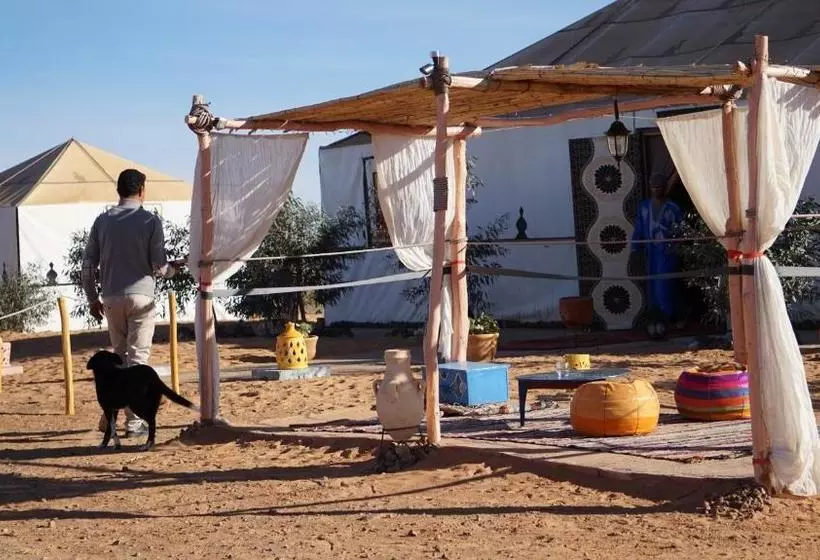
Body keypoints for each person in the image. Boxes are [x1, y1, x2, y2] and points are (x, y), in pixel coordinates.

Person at [83, 169, 181, 437]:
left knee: (119, 358)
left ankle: (111, 418)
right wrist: (175, 269)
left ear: (118, 191)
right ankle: (134, 423)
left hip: (112, 296)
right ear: (142, 190)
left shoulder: (102, 221)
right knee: (138, 360)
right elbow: (160, 267)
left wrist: (92, 297)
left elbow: (88, 264)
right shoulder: (150, 221)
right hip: (142, 296)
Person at [631, 172, 682, 325]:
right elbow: (638, 229)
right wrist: (635, 250)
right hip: (650, 252)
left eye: (658, 186)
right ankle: (655, 316)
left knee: (664, 286)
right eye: (653, 186)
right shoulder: (644, 207)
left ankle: (667, 317)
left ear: (665, 187)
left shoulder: (673, 208)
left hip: (667, 252)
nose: (655, 189)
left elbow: (681, 230)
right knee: (652, 285)